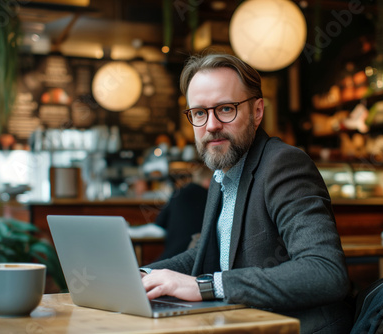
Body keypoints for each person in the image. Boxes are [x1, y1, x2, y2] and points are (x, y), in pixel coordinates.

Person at [140, 53, 354, 333]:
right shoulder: (223, 174)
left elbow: (325, 272)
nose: (212, 125)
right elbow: (205, 251)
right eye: (200, 113)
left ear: (257, 111)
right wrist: (145, 276)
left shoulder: (284, 165)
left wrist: (205, 286)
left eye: (226, 109)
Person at [155, 164, 213, 260]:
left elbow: (160, 222)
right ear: (208, 181)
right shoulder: (211, 199)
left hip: (171, 255)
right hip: (197, 258)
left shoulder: (178, 193)